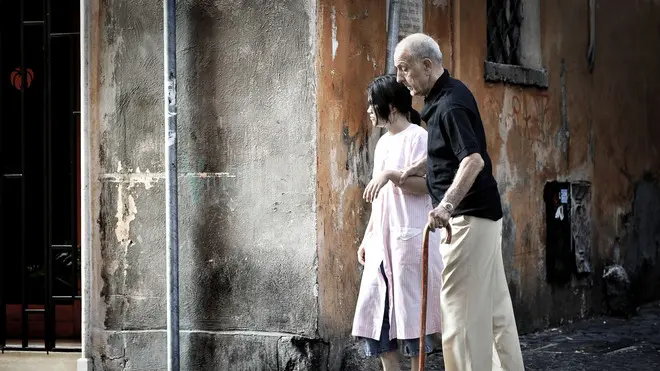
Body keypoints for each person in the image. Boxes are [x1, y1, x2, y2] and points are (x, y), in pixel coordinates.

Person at [394, 33, 525, 371]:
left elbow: (472, 160)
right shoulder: (447, 96)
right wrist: (421, 165)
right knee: (495, 312)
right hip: (482, 218)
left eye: (404, 69)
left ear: (427, 66)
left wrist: (446, 206)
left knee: (460, 315)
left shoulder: (449, 104)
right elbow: (452, 150)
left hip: (467, 220)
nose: (400, 78)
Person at [352, 74, 444, 371]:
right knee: (379, 332)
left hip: (409, 243)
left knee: (412, 329)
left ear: (390, 106)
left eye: (372, 104)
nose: (369, 110)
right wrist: (367, 236)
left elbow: (428, 187)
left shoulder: (419, 137)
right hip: (381, 244)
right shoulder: (382, 144)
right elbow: (380, 200)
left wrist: (392, 175)